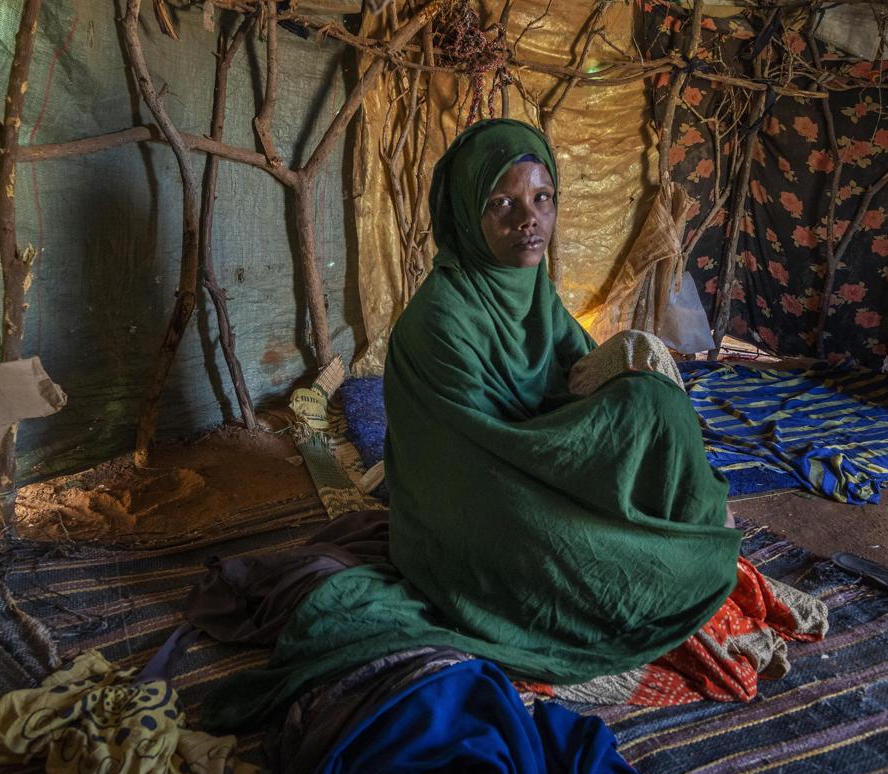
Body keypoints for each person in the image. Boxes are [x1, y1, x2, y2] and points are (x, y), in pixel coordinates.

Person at [204, 119, 741, 730]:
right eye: (502, 204)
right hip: (477, 511)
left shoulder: (535, 295)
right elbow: (482, 461)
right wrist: (584, 452)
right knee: (579, 548)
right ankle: (650, 556)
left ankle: (675, 533)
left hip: (534, 468)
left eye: (542, 198)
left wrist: (630, 388)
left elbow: (579, 385)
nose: (528, 220)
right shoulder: (440, 321)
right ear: (466, 215)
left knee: (656, 404)